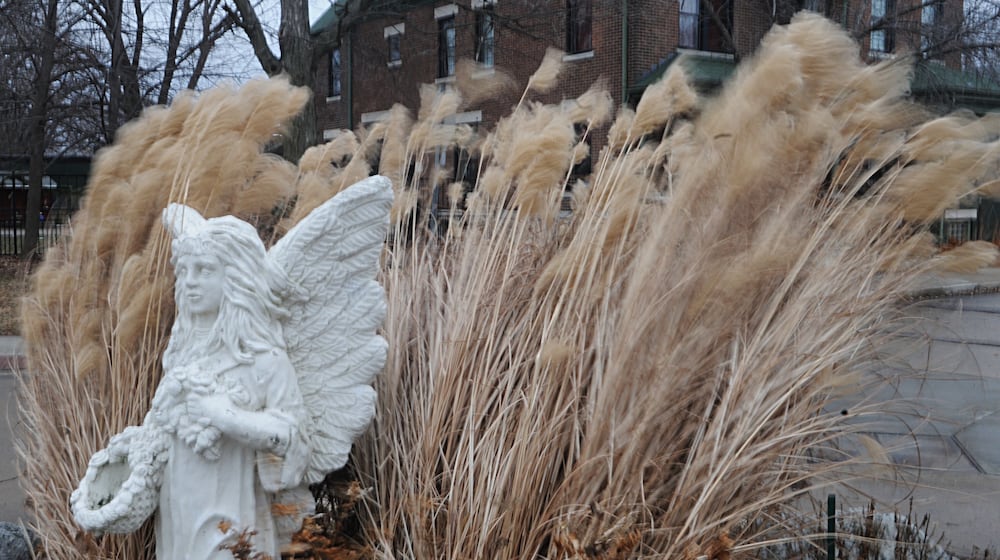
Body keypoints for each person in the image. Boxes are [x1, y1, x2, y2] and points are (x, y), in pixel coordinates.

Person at [147, 214, 309, 559]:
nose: (190, 282)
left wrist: (227, 417)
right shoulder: (181, 352)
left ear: (233, 278)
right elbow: (164, 428)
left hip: (232, 519)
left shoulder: (265, 360)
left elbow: (293, 439)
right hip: (178, 512)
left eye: (205, 270)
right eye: (185, 271)